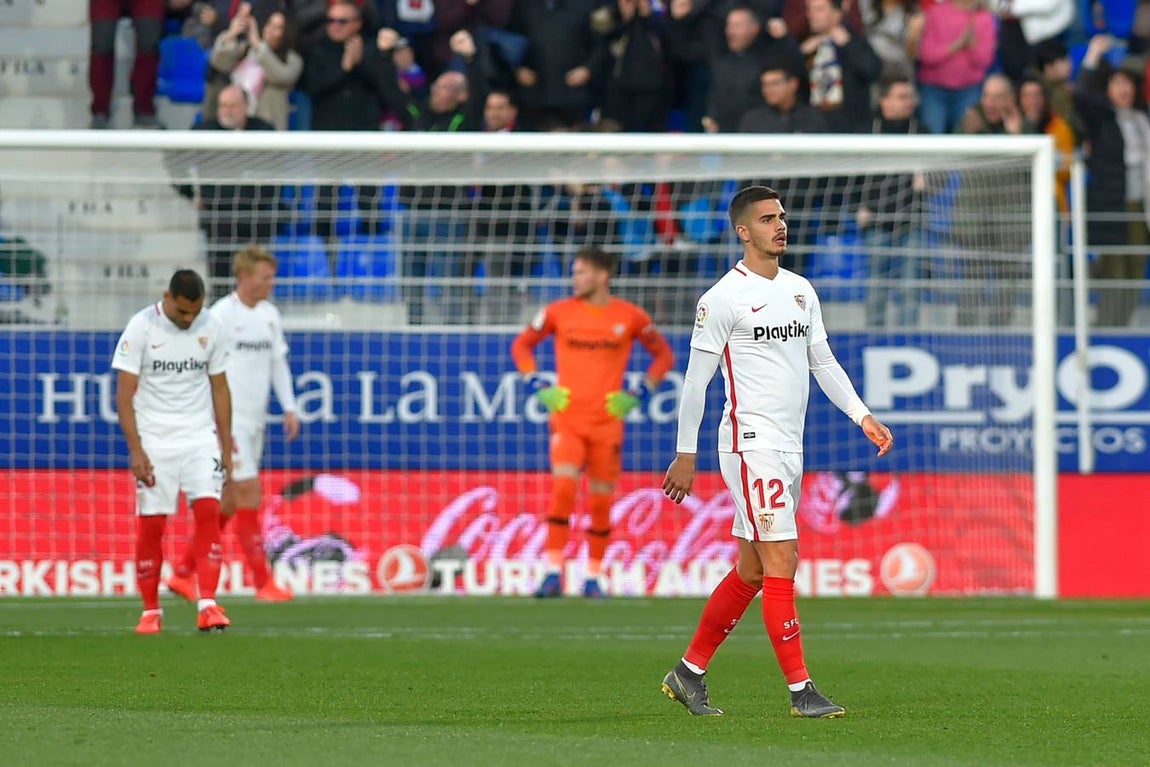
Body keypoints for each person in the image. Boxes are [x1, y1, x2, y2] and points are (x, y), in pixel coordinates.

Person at [660, 186, 893, 717]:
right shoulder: (721, 299)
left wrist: (862, 415)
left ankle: (688, 673)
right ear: (743, 231)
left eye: (781, 217)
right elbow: (695, 382)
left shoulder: (800, 290)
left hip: (790, 446)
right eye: (767, 219)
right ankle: (801, 691)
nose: (779, 226)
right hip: (749, 445)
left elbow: (824, 362)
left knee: (753, 570)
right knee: (783, 557)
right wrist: (685, 452)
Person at [511, 246, 674, 598]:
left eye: (582, 272)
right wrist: (536, 383)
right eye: (575, 271)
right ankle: (553, 572)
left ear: (602, 275)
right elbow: (522, 346)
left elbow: (663, 355)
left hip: (607, 423)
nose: (576, 278)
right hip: (567, 419)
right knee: (564, 490)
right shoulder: (558, 312)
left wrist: (639, 391)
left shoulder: (629, 316)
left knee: (600, 502)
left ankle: (594, 577)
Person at [167, 247, 300, 603]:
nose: (270, 283)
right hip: (229, 423)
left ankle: (182, 574)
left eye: (272, 276)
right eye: (265, 276)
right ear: (244, 276)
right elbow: (198, 364)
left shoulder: (270, 315)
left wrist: (289, 407)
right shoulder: (221, 316)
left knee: (227, 504)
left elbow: (278, 364)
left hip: (255, 422)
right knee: (249, 496)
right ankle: (263, 583)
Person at [112, 269, 233, 635]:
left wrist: (226, 447)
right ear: (167, 297)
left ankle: (208, 604)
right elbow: (123, 395)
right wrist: (136, 449)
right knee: (153, 525)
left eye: (194, 312)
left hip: (198, 436)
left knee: (209, 512)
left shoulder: (211, 325)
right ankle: (151, 611)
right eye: (182, 312)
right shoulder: (141, 327)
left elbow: (221, 389)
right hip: (155, 440)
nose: (188, 319)